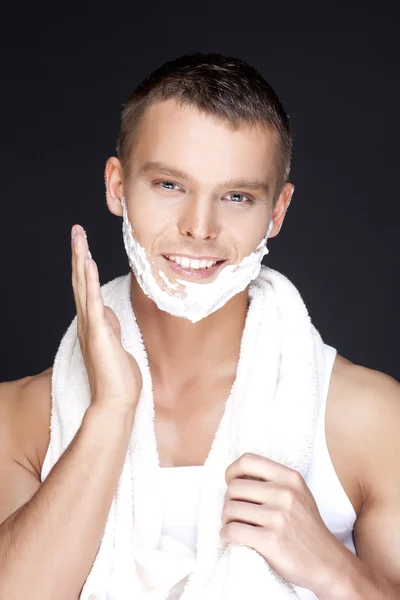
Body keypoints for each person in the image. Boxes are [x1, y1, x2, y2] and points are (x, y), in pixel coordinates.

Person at [0, 52, 399, 600]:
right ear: (118, 187)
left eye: (237, 196)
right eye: (169, 185)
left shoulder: (369, 419)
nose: (199, 228)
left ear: (277, 212)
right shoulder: (18, 421)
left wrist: (334, 568)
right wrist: (110, 409)